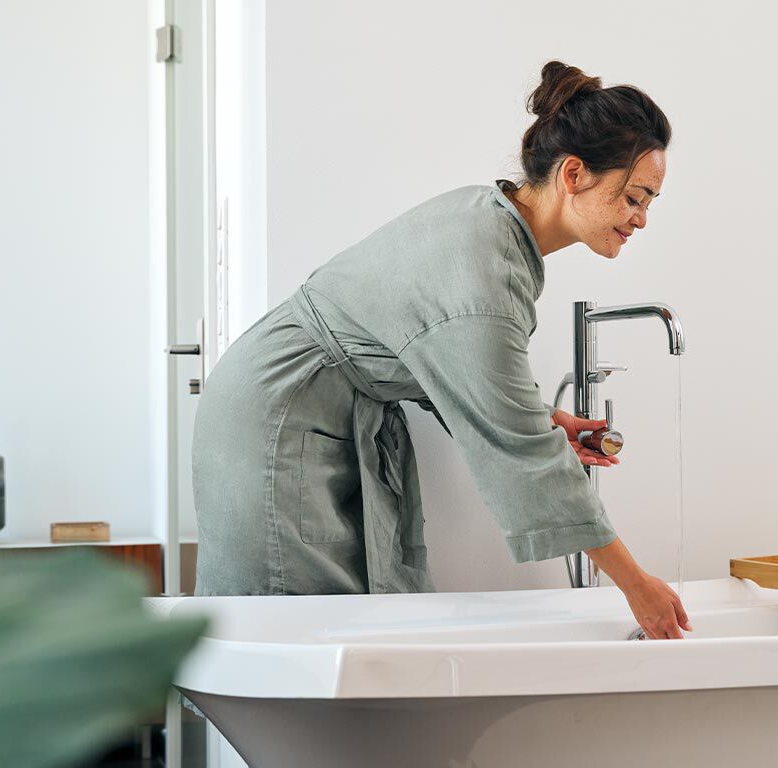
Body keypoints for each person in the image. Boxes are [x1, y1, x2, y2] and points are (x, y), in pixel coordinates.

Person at [191, 60, 690, 639]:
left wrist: (543, 420)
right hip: (278, 414)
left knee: (339, 635)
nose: (642, 219)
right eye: (635, 197)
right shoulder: (486, 265)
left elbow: (453, 365)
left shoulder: (490, 224)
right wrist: (636, 584)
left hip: (294, 401)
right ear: (574, 173)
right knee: (293, 637)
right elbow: (522, 449)